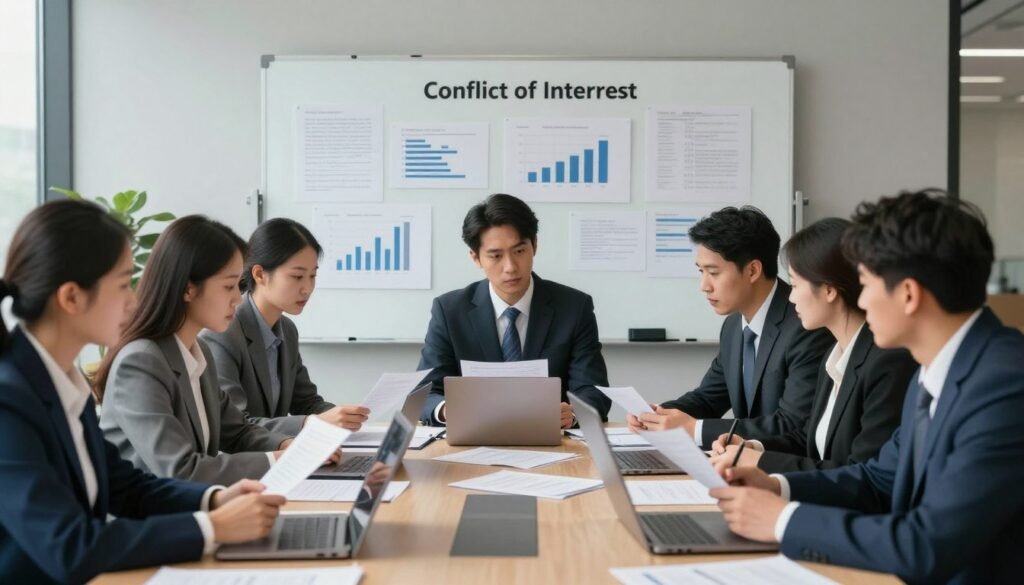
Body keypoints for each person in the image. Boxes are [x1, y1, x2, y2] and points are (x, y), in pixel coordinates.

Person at [711, 190, 1024, 584]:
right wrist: (776, 485)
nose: (860, 299)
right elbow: (878, 480)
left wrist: (782, 521)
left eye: (865, 284)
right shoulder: (938, 371)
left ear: (908, 294)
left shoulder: (1005, 387)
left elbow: (925, 545)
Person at [0, 200, 284, 582]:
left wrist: (213, 500)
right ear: (71, 297)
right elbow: (70, 546)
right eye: (121, 285)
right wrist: (212, 528)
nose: (133, 300)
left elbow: (125, 486)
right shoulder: (9, 402)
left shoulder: (62, 381)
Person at [97, 216, 316, 485]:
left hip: (196, 510)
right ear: (188, 288)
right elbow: (181, 469)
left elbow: (238, 432)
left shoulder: (197, 353)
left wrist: (287, 446)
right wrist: (276, 461)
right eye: (228, 286)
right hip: (152, 522)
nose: (238, 298)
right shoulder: (141, 362)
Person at [708, 218, 917, 473]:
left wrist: (761, 463)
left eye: (795, 285)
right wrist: (753, 447)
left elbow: (863, 474)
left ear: (829, 290)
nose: (791, 296)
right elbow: (810, 438)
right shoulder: (836, 353)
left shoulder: (886, 362)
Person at [628, 206, 832, 447]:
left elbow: (792, 424)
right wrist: (658, 414)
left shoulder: (806, 324)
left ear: (753, 270)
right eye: (701, 271)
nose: (704, 285)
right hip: (740, 463)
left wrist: (693, 429)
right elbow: (708, 398)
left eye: (713, 273)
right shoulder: (734, 326)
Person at [417, 193, 611, 427]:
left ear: (534, 246)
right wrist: (449, 410)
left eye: (519, 251)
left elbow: (593, 390)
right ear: (476, 258)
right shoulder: (449, 311)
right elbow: (425, 393)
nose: (510, 267)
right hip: (474, 439)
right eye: (496, 256)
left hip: (553, 439)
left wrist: (573, 413)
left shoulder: (574, 307)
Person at [202, 218, 369, 435]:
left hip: (277, 455)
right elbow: (233, 426)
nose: (307, 288)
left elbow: (306, 402)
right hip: (245, 463)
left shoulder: (287, 330)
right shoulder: (223, 333)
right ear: (260, 274)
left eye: (312, 275)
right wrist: (312, 423)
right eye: (297, 276)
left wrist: (343, 416)